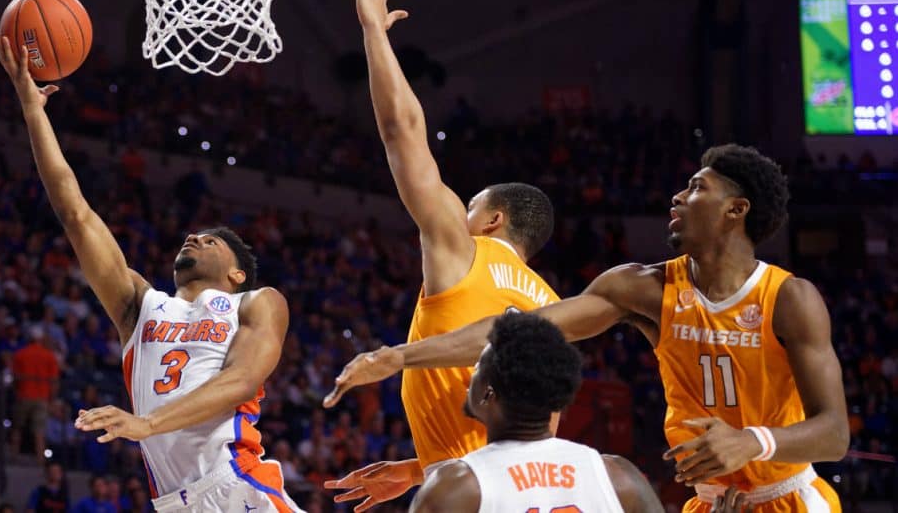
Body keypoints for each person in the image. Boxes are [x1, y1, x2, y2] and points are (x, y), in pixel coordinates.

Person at [328, 145, 849, 511]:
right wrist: (399, 356)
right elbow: (509, 332)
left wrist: (750, 443)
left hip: (787, 496)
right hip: (708, 502)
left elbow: (834, 434)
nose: (677, 198)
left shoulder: (790, 298)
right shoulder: (640, 288)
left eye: (696, 189)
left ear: (736, 210)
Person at [0, 37, 299, 513]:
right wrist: (34, 111)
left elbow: (241, 381)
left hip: (237, 483)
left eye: (211, 239)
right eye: (193, 236)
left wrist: (148, 425)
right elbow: (76, 213)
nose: (194, 238)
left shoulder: (256, 303)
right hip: (173, 502)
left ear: (238, 273)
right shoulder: (141, 305)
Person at [323, 0, 560, 512]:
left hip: (472, 492)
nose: (462, 210)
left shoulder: (465, 248)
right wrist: (418, 467)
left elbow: (401, 131)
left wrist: (374, 33)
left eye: (472, 205)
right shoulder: (555, 307)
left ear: (493, 220)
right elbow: (534, 429)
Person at [410, 313, 662, 512]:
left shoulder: (455, 488)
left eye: (477, 367)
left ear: (488, 393)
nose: (469, 374)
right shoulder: (619, 477)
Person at [12, 325, 59, 462]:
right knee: (39, 432)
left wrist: (17, 392)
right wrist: (52, 399)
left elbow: (15, 377)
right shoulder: (49, 356)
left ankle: (14, 456)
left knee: (17, 428)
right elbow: (54, 381)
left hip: (23, 395)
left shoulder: (20, 354)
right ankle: (40, 461)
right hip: (42, 398)